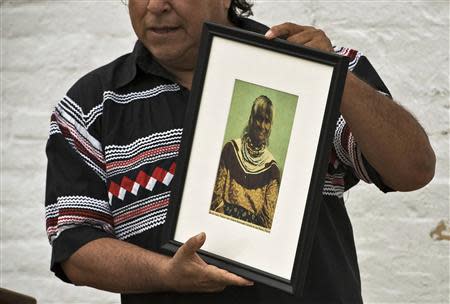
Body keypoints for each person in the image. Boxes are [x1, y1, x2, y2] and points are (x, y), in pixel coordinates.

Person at [44, 0, 436, 303]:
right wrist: (167, 274)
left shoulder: (311, 71)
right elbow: (75, 247)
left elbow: (412, 170)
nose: (156, 5)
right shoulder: (91, 107)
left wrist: (335, 75)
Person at [210, 95, 280, 231]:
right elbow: (216, 197)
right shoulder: (231, 149)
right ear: (251, 119)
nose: (262, 126)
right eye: (259, 118)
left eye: (267, 121)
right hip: (220, 224)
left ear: (271, 126)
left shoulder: (272, 168)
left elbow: (267, 220)